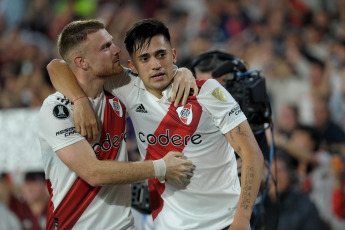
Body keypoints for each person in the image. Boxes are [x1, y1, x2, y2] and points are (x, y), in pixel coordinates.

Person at [48, 18, 264, 230]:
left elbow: (252, 153)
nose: (156, 65)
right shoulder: (127, 86)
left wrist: (242, 219)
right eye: (145, 58)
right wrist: (80, 100)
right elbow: (57, 66)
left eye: (161, 55)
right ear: (132, 65)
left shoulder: (208, 92)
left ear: (174, 55)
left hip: (224, 222)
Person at [39, 19, 196, 230]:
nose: (117, 50)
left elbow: (159, 74)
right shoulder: (56, 109)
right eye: (105, 47)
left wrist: (182, 72)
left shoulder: (119, 91)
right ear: (82, 62)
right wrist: (161, 167)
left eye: (112, 42)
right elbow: (94, 173)